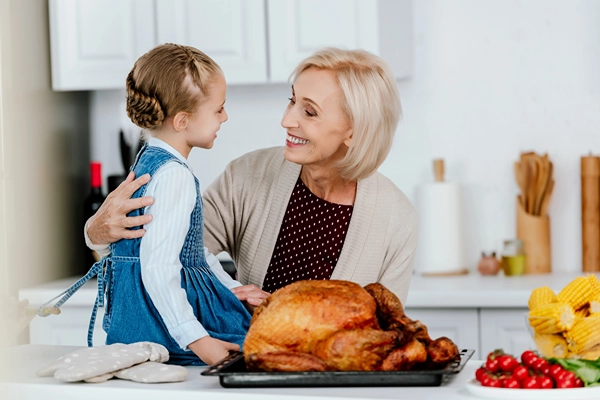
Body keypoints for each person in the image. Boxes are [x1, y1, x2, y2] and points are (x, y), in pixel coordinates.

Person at [86, 47, 418, 308]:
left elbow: (387, 336)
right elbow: (165, 252)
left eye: (310, 111)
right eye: (292, 101)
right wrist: (95, 232)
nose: (287, 120)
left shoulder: (396, 220)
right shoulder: (247, 176)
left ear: (354, 130)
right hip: (249, 369)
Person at [45, 43, 251, 366]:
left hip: (133, 325)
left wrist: (231, 286)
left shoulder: (146, 162)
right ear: (182, 120)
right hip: (174, 334)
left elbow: (189, 251)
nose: (225, 116)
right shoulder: (175, 176)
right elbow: (158, 267)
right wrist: (199, 340)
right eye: (218, 109)